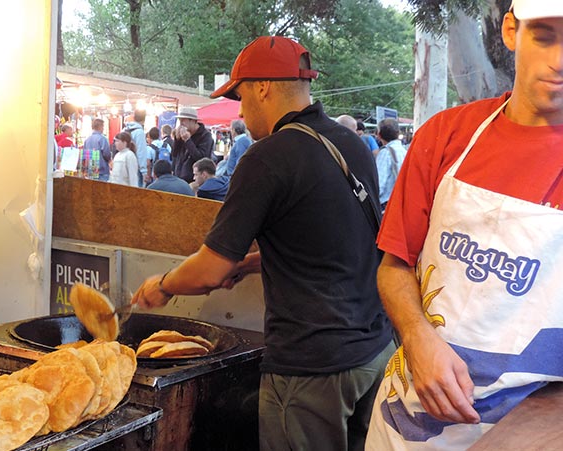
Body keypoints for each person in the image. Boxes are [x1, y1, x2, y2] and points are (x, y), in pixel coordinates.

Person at [132, 36, 393, 451]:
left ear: (263, 87)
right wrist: (252, 263)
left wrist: (161, 285)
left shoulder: (266, 157)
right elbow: (333, 240)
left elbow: (210, 269)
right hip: (374, 352)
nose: (240, 109)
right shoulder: (352, 144)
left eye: (240, 96)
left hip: (312, 367)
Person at [365, 1, 563, 449]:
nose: (560, 61)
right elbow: (395, 266)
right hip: (402, 423)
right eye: (545, 36)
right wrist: (417, 337)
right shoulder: (446, 135)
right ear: (511, 31)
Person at [170, 106, 214, 183]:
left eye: (183, 120)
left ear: (193, 121)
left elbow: (201, 158)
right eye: (180, 120)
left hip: (194, 181)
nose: (181, 123)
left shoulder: (205, 136)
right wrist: (177, 140)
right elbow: (174, 155)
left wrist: (188, 141)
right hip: (178, 178)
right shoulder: (182, 133)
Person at [374, 118, 406, 211]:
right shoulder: (405, 151)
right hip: (400, 203)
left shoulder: (385, 153)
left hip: (386, 206)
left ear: (379, 135)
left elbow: (379, 185)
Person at [124, 109, 150, 186]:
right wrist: (144, 171)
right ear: (144, 119)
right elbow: (141, 152)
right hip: (135, 167)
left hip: (125, 165)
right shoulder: (139, 132)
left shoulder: (125, 130)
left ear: (134, 117)